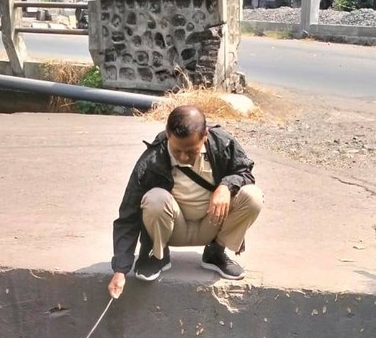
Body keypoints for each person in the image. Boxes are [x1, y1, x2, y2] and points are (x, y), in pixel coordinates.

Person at [108, 105, 262, 299]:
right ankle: (158, 256)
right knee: (155, 199)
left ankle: (216, 252)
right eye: (177, 150)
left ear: (205, 135)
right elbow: (128, 216)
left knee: (252, 196)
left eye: (191, 151)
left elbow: (244, 171)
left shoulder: (222, 144)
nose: (182, 157)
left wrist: (226, 186)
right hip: (171, 229)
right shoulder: (151, 160)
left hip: (212, 225)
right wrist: (120, 270)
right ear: (167, 134)